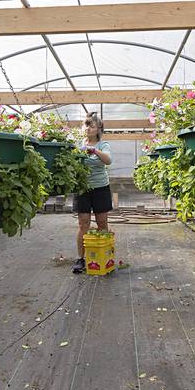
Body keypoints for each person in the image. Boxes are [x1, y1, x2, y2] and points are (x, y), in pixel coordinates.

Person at [73, 112, 113, 274]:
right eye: (86, 124)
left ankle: (104, 255)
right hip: (82, 188)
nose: (88, 128)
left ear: (98, 129)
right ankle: (81, 259)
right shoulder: (78, 144)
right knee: (83, 224)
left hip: (100, 188)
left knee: (102, 223)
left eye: (91, 125)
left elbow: (108, 160)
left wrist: (94, 151)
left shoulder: (103, 145)